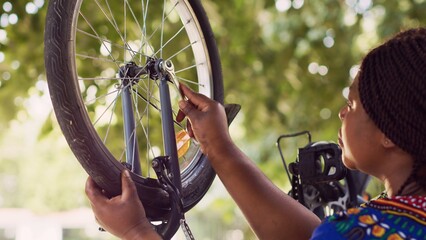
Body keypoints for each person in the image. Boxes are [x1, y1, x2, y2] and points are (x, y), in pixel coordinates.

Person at [85, 28, 426, 239]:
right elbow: (307, 237)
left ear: (389, 133)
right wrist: (218, 146)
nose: (341, 113)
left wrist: (136, 232)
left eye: (352, 105)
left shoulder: (366, 232)